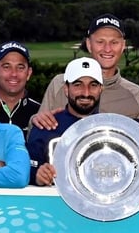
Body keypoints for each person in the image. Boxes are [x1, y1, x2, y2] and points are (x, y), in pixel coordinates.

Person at [35, 14, 139, 127]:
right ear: (89, 44)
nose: (107, 49)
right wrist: (36, 119)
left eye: (114, 42)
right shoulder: (60, 83)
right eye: (100, 42)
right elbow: (37, 128)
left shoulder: (136, 94)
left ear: (123, 46)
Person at [26, 57, 103, 186]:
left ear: (101, 89)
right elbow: (27, 166)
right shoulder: (46, 125)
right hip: (54, 204)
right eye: (78, 85)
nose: (86, 92)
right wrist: (37, 175)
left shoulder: (111, 129)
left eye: (93, 85)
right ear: (66, 89)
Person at [0, 41, 40, 133]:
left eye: (20, 67)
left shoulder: (40, 112)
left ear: (28, 73)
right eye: (6, 67)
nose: (14, 74)